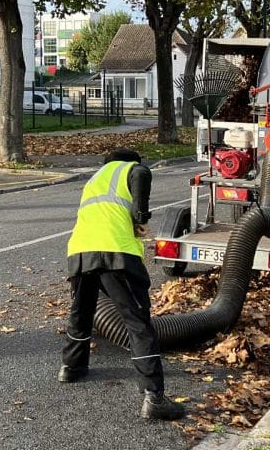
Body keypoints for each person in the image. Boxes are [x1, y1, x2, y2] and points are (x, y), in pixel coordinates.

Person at [59, 148, 186, 422]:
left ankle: (71, 367)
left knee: (81, 312)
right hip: (116, 253)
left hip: (80, 252)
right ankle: (154, 397)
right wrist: (141, 219)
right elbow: (141, 175)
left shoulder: (94, 179)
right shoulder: (132, 169)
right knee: (138, 323)